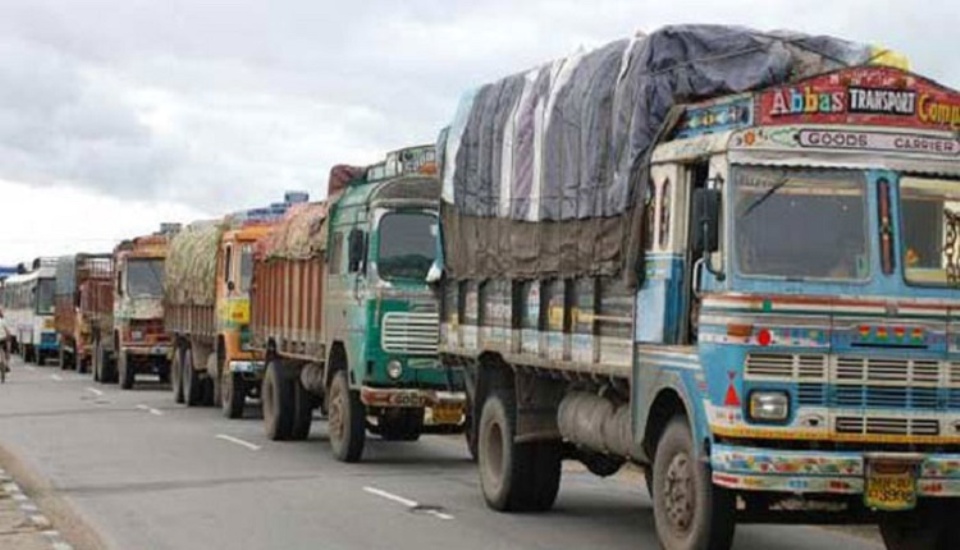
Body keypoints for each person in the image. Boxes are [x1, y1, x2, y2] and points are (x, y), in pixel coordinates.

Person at [0, 308, 10, 383]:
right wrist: (8, 337)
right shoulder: (3, 321)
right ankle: (6, 365)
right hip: (2, 340)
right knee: (7, 351)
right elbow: (7, 331)